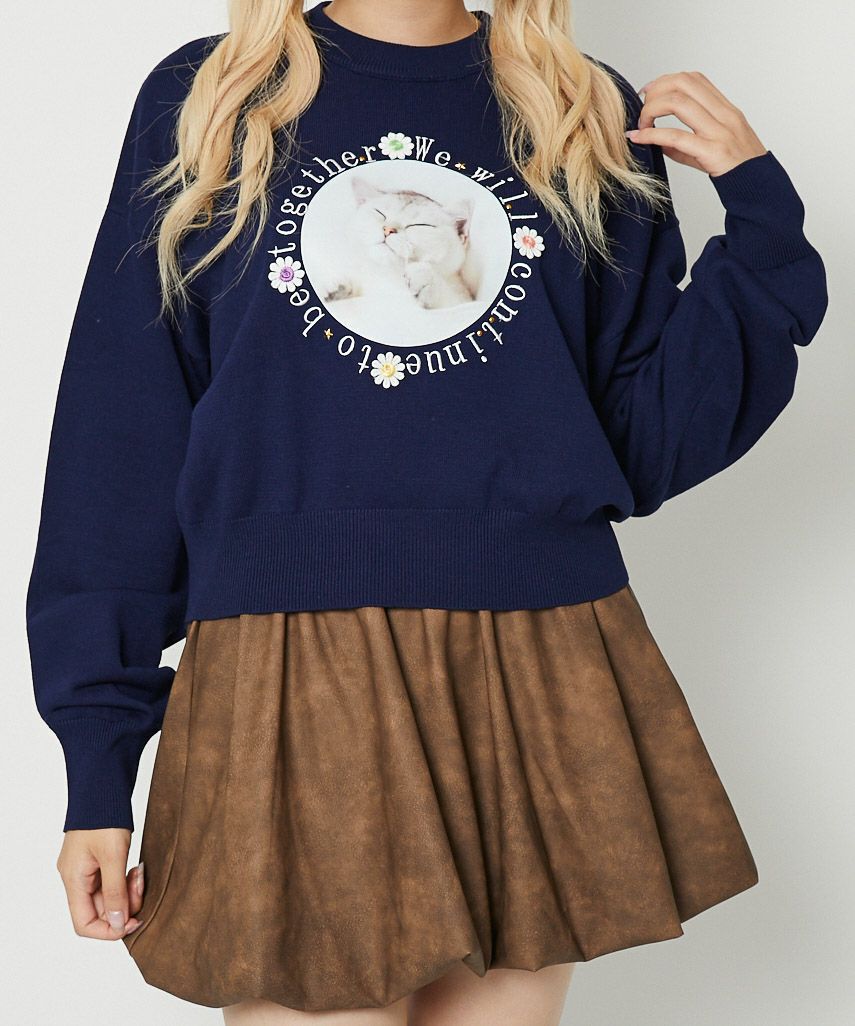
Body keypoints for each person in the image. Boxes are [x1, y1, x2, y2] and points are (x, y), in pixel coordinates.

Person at [25, 1, 828, 1024]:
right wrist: (97, 764)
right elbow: (118, 436)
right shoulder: (213, 98)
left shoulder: (579, 106)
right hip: (286, 670)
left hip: (540, 661)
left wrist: (760, 215)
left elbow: (636, 438)